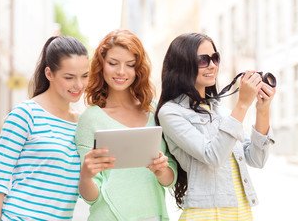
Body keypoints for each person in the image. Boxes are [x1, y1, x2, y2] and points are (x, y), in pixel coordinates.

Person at [155, 33, 276, 221]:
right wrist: (242, 104)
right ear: (182, 65)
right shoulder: (171, 112)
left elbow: (256, 159)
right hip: (206, 215)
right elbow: (212, 156)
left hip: (241, 214)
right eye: (203, 60)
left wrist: (262, 110)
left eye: (215, 58)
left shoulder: (220, 109)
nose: (212, 65)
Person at [75, 29, 177, 221]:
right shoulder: (90, 119)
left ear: (138, 69)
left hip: (153, 215)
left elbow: (170, 180)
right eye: (113, 63)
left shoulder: (155, 111)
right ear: (101, 65)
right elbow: (90, 197)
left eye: (130, 65)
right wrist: (86, 176)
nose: (121, 71)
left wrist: (162, 170)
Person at [0, 36, 89, 221]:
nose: (79, 85)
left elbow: (82, 189)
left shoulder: (83, 124)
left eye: (84, 76)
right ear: (49, 74)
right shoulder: (25, 115)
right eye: (69, 77)